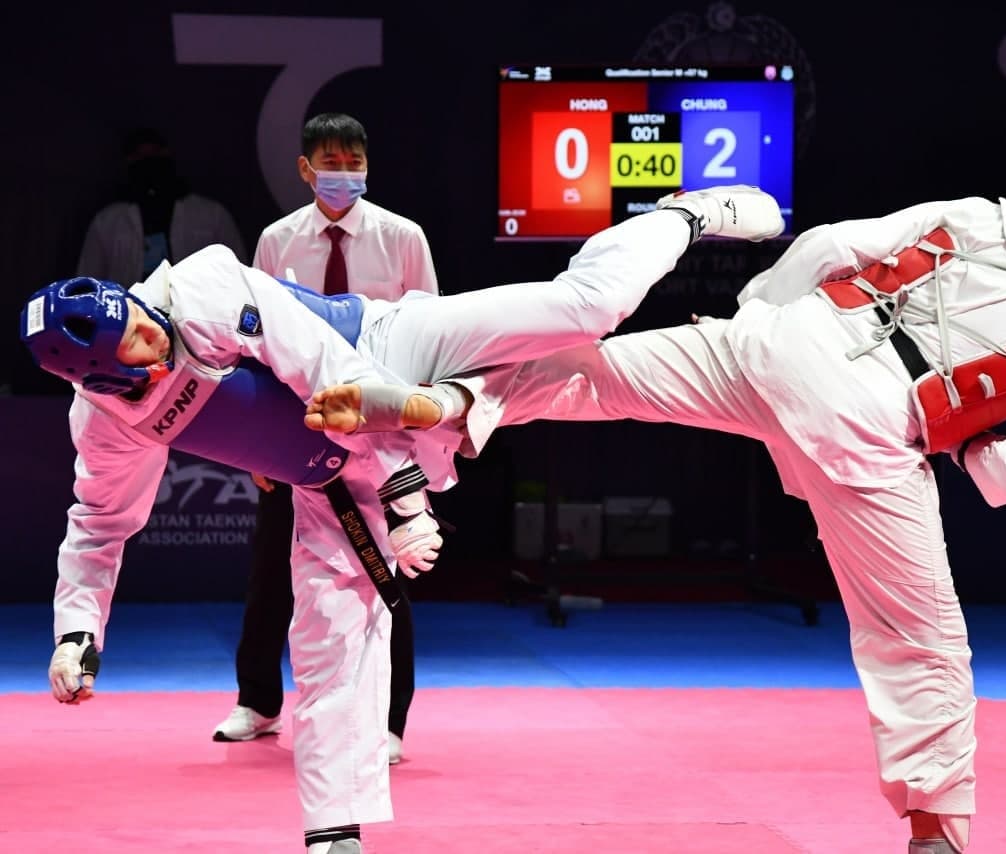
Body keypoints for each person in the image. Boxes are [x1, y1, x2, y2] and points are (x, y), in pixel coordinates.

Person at [307, 144, 1006, 854]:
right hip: (877, 430)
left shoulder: (977, 216)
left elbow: (826, 245)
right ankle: (936, 833)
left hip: (786, 343)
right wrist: (971, 451)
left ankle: (454, 401)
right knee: (918, 639)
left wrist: (758, 318)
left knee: (591, 375)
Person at [21, 184, 783, 854]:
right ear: (101, 378)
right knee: (327, 636)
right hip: (324, 477)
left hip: (388, 348)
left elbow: (333, 372)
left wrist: (406, 496)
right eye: (136, 343)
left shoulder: (204, 286)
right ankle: (334, 833)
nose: (152, 327)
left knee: (585, 310)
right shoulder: (107, 422)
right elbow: (99, 522)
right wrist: (76, 631)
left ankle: (685, 215)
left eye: (137, 314)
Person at [217, 112, 441, 764]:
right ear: (306, 169)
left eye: (354, 162)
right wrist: (252, 442)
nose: (344, 173)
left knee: (385, 573)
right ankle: (257, 702)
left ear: (367, 165)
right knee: (271, 571)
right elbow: (250, 344)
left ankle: (389, 723)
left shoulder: (403, 238)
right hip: (294, 428)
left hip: (378, 430)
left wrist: (417, 435)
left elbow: (431, 335)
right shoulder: (277, 240)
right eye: (331, 163)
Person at [77, 127, 247, 284]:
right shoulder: (107, 221)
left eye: (155, 153)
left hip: (196, 304)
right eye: (140, 156)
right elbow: (88, 280)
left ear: (168, 155)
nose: (148, 164)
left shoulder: (212, 214)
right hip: (129, 304)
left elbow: (239, 272)